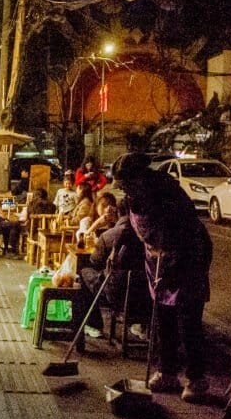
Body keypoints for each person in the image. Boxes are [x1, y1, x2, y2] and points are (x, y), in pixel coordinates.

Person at [113, 152, 213, 403]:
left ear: (139, 179)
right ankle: (167, 372)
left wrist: (169, 269)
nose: (123, 189)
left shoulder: (169, 197)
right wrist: (117, 250)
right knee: (161, 317)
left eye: (125, 183)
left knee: (187, 320)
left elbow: (184, 237)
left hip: (186, 259)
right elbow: (128, 226)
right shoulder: (132, 197)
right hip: (155, 258)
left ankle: (196, 379)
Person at [77, 199, 149, 339]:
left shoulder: (110, 235)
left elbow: (94, 260)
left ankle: (93, 324)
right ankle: (140, 325)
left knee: (84, 272)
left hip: (115, 293)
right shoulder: (148, 236)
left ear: (119, 212)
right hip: (144, 294)